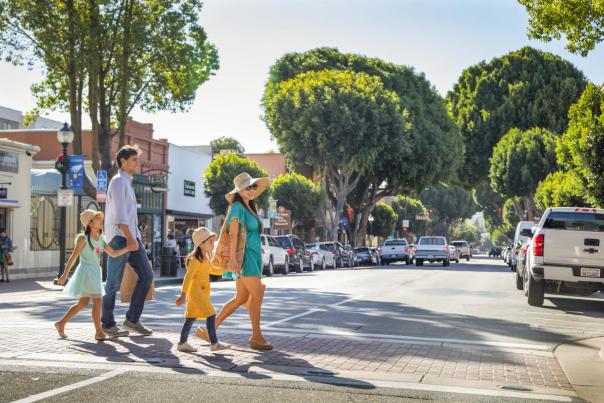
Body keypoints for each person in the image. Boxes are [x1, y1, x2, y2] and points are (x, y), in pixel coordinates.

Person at [196, 172, 272, 351]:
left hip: (253, 256)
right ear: (240, 191)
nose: (252, 190)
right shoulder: (237, 207)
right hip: (244, 258)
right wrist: (232, 260)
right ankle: (256, 336)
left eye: (253, 186)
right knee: (257, 294)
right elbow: (233, 234)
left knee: (241, 298)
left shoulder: (251, 207)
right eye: (247, 187)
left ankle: (210, 330)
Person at [55, 210, 133, 340]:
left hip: (95, 272)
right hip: (86, 272)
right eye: (97, 217)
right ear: (90, 222)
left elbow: (113, 253)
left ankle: (61, 323)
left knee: (83, 303)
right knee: (97, 301)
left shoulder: (101, 239)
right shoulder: (83, 239)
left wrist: (128, 248)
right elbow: (73, 257)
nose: (100, 219)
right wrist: (64, 275)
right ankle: (99, 332)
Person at [101, 145, 154, 337]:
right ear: (122, 161)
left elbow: (130, 217)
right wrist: (131, 238)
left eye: (137, 159)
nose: (137, 162)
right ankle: (107, 324)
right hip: (119, 238)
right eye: (134, 159)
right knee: (112, 284)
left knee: (147, 276)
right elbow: (121, 215)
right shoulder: (117, 181)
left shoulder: (128, 182)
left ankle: (132, 319)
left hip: (133, 238)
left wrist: (136, 237)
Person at [175, 227, 230, 353]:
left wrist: (226, 269)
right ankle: (214, 343)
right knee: (211, 313)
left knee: (190, 317)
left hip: (202, 293)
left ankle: (182, 343)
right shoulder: (195, 260)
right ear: (201, 244)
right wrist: (183, 295)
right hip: (196, 293)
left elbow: (211, 269)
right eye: (210, 242)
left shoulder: (204, 258)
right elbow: (188, 277)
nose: (212, 244)